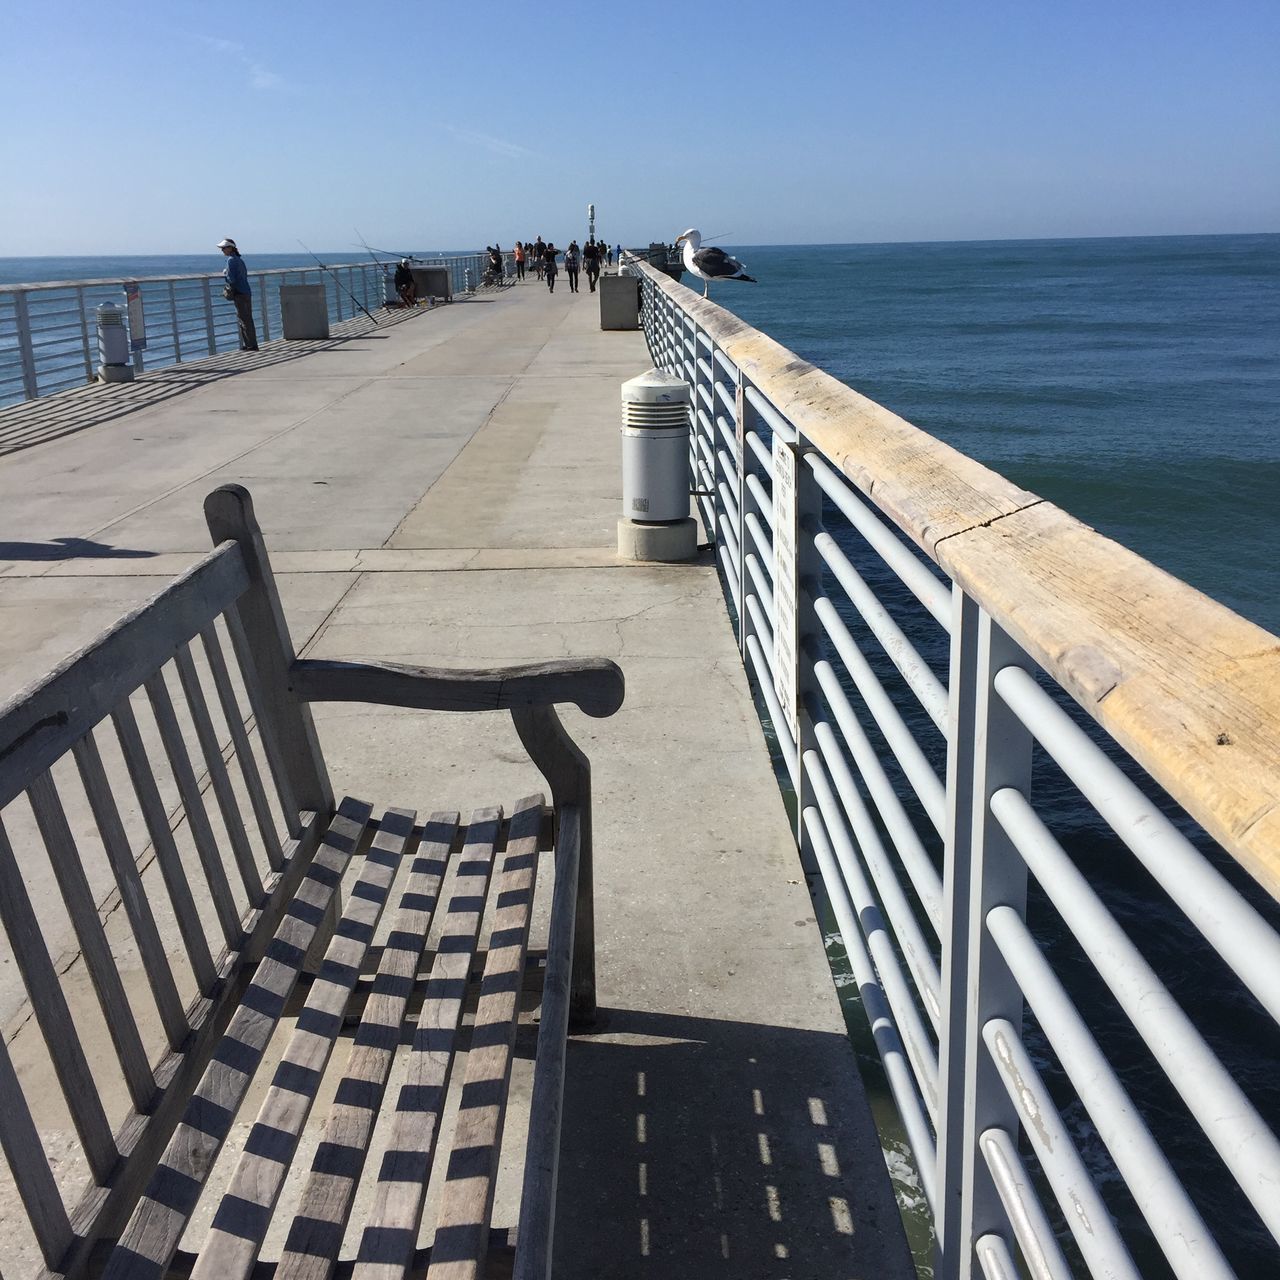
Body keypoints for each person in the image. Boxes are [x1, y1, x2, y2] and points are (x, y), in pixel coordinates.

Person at [218, 238, 258, 351]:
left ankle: (251, 345)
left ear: (230, 248)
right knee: (248, 318)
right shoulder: (239, 260)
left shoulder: (231, 260)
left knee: (243, 319)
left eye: (224, 248)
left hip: (239, 293)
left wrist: (225, 274)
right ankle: (251, 343)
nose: (222, 250)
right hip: (246, 291)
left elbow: (231, 279)